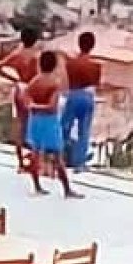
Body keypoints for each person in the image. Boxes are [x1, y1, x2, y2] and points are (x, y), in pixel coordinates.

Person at [22, 51, 80, 198]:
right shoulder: (54, 83)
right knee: (58, 157)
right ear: (54, 65)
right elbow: (51, 106)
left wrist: (33, 106)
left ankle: (37, 186)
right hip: (49, 122)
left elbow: (25, 99)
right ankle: (67, 190)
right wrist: (37, 106)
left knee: (35, 154)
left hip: (35, 120)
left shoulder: (34, 81)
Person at [0, 22, 43, 169]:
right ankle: (36, 162)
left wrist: (14, 79)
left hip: (19, 87)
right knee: (36, 125)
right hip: (31, 89)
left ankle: (20, 162)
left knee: (20, 126)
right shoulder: (36, 56)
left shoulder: (17, 54)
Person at [60, 31, 102, 173]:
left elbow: (69, 81)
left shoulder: (70, 63)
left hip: (73, 94)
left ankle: (57, 157)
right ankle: (80, 163)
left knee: (64, 127)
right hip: (88, 96)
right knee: (84, 131)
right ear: (92, 46)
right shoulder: (96, 66)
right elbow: (96, 84)